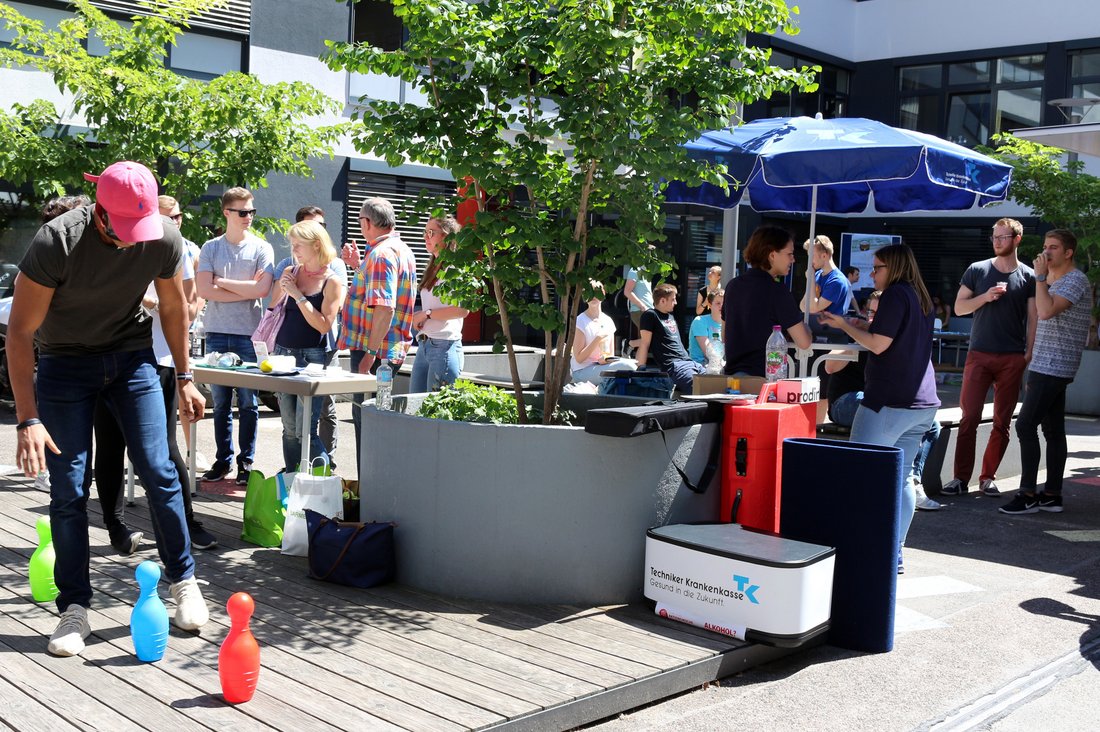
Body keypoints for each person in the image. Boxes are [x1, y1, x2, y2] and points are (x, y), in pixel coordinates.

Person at [10, 160, 209, 656]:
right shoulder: (57, 242)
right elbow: (20, 331)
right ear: (100, 212)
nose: (132, 240)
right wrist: (27, 418)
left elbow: (172, 307)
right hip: (64, 365)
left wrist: (185, 377)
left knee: (159, 467)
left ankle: (184, 580)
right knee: (68, 486)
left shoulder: (163, 238)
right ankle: (74, 607)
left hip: (130, 360)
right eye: (123, 230)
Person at [819, 243, 941, 572]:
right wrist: (849, 323)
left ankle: (858, 550)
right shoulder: (921, 297)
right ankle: (894, 554)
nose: (872, 273)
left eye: (877, 268)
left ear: (895, 268)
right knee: (900, 480)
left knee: (862, 476)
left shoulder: (895, 295)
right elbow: (888, 337)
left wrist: (844, 325)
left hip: (889, 401)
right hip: (921, 404)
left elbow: (878, 344)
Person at [999, 229, 1092, 515]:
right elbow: (1038, 318)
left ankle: (1028, 493)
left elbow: (1046, 311)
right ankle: (1052, 494)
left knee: (1025, 425)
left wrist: (1039, 279)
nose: (1046, 252)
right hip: (1043, 363)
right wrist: (1030, 356)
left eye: (1053, 247)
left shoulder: (1075, 280)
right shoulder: (1052, 278)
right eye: (1044, 246)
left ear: (1068, 253)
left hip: (1057, 364)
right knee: (1053, 430)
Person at [942, 218, 1036, 497]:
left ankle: (988, 477)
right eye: (994, 237)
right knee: (969, 416)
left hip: (1012, 356)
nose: (996, 241)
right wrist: (984, 297)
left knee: (1001, 421)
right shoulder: (977, 269)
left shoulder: (1028, 276)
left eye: (1003, 237)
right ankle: (960, 478)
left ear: (1017, 239)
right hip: (979, 353)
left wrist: (1028, 353)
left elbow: (1033, 318)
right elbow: (959, 308)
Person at [824, 291, 942, 511]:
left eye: (878, 313)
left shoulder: (894, 338)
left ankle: (915, 480)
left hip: (881, 401)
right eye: (869, 312)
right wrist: (857, 333)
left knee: (933, 425)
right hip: (847, 400)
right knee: (870, 403)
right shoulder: (860, 334)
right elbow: (830, 367)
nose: (872, 318)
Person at [196, 187, 274, 485]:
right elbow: (203, 290)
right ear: (226, 213)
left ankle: (246, 463)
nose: (249, 217)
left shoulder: (261, 248)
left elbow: (262, 291)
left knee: (249, 403)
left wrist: (222, 282)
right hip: (216, 332)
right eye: (243, 212)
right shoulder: (211, 248)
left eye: (252, 211)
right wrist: (244, 288)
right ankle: (222, 460)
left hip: (248, 334)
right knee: (220, 404)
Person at [338, 197, 417, 476]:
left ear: (367, 223)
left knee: (368, 421)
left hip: (376, 352)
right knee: (376, 418)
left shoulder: (383, 254)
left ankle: (371, 489)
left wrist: (369, 355)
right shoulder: (397, 249)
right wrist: (358, 265)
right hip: (383, 350)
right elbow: (379, 294)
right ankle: (375, 487)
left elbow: (384, 307)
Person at [269, 220, 347, 473]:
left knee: (306, 430)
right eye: (292, 245)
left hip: (312, 356)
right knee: (289, 428)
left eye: (298, 245)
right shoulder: (292, 271)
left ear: (316, 245)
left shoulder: (332, 281)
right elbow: (274, 308)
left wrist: (298, 295)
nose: (294, 250)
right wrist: (285, 289)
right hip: (283, 353)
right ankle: (292, 483)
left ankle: (325, 479)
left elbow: (323, 325)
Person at [723, 226, 812, 376]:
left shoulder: (733, 285)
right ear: (772, 255)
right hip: (763, 381)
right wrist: (808, 328)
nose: (793, 259)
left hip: (732, 379)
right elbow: (804, 342)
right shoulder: (777, 291)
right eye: (789, 254)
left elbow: (725, 335)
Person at [158, 195, 206, 471]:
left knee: (186, 391)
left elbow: (197, 295)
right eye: (167, 217)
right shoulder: (145, 243)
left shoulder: (189, 249)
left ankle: (192, 450)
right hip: (152, 342)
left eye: (177, 216)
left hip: (181, 334)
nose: (174, 222)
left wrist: (192, 308)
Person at [410, 215, 470, 392]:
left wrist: (425, 314)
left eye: (431, 232)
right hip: (425, 345)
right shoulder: (433, 267)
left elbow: (462, 310)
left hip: (444, 347)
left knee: (434, 412)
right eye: (425, 232)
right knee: (415, 408)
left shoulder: (455, 269)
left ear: (446, 236)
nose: (425, 237)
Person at [635, 284, 705, 394]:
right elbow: (645, 343)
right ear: (662, 301)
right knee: (697, 389)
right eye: (673, 299)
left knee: (713, 383)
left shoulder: (670, 316)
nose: (676, 302)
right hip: (674, 366)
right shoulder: (650, 315)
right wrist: (641, 369)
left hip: (690, 362)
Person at [570, 281, 636, 385]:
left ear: (603, 294)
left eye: (597, 292)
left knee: (633, 365)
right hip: (582, 370)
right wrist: (598, 338)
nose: (593, 296)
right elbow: (579, 358)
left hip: (600, 367)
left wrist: (605, 360)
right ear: (584, 296)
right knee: (628, 368)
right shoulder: (580, 320)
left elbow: (610, 355)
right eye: (589, 292)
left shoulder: (608, 321)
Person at [802, 235, 851, 341]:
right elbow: (802, 306)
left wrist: (810, 279)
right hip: (817, 335)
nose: (809, 261)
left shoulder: (837, 281)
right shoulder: (817, 275)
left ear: (824, 256)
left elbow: (814, 308)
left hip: (833, 338)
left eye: (812, 256)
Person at [622, 262, 654, 355]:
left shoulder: (647, 272)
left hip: (648, 310)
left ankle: (630, 345)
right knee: (649, 339)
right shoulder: (635, 270)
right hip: (639, 310)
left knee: (646, 340)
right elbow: (627, 291)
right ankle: (629, 345)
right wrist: (642, 306)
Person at [688, 291, 724, 365]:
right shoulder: (700, 321)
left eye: (725, 303)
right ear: (710, 305)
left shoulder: (728, 323)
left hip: (718, 365)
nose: (722, 306)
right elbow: (708, 352)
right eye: (718, 303)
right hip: (700, 366)